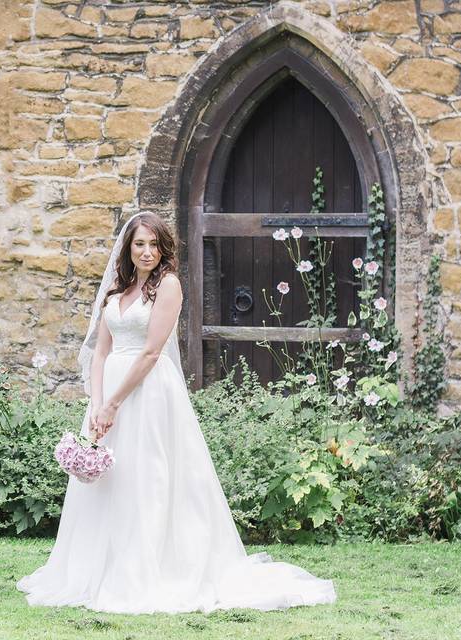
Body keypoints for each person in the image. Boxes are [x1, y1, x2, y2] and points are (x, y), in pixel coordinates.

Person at [17, 212, 336, 614]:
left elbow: (151, 351)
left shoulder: (168, 286)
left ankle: (147, 569)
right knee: (108, 484)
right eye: (139, 244)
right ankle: (95, 569)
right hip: (108, 395)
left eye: (153, 244)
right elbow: (100, 352)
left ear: (163, 248)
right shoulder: (116, 292)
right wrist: (97, 403)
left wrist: (115, 402)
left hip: (147, 393)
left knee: (147, 476)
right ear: (128, 248)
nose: (147, 252)